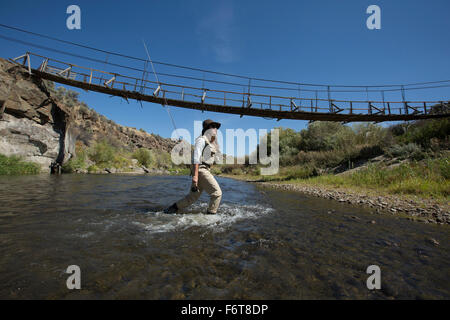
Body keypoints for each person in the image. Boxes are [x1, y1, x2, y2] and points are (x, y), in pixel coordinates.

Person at [163, 119, 222, 214]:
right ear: (208, 129)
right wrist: (195, 176)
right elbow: (196, 157)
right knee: (217, 194)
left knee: (192, 198)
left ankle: (172, 209)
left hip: (203, 170)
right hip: (201, 171)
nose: (216, 129)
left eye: (216, 127)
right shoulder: (201, 140)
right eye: (214, 127)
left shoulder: (210, 142)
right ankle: (210, 216)